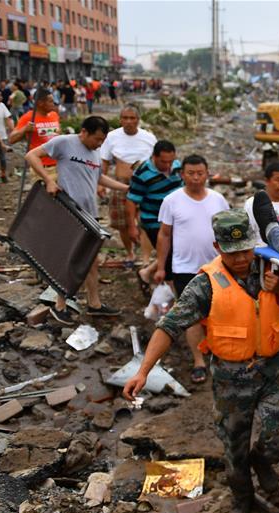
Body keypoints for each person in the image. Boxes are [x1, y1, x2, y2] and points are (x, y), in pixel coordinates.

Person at [122, 210, 279, 513]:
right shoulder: (205, 285)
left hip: (270, 372)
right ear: (218, 248)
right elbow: (169, 327)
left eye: (247, 250)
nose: (241, 258)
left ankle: (261, 460)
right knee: (234, 447)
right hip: (230, 379)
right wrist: (143, 371)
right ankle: (243, 497)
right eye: (233, 253)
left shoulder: (273, 269)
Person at [26, 116, 129, 324]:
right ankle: (60, 305)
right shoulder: (64, 142)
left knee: (91, 261)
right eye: (97, 139)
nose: (99, 144)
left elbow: (98, 177)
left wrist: (125, 188)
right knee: (69, 258)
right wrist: (48, 181)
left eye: (102, 140)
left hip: (90, 213)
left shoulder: (95, 152)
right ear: (84, 132)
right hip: (68, 211)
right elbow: (31, 155)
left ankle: (95, 304)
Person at [154, 154, 230, 384]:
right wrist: (160, 267)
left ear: (207, 174)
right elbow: (164, 235)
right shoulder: (171, 201)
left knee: (220, 311)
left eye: (200, 173)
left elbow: (227, 233)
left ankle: (222, 353)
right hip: (184, 268)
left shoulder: (218, 200)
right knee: (192, 316)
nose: (196, 178)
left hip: (216, 266)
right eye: (191, 173)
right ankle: (199, 360)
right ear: (182, 175)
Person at [100, 105, 157, 265]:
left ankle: (145, 257)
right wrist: (100, 184)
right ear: (120, 120)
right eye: (125, 118)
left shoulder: (149, 137)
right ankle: (130, 253)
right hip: (120, 183)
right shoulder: (112, 137)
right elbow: (104, 160)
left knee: (146, 219)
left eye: (132, 118)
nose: (128, 122)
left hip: (146, 184)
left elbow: (156, 161)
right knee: (122, 222)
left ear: (138, 120)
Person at [126, 139, 183, 291]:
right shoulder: (143, 173)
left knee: (178, 250)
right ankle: (172, 292)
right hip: (154, 220)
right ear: (155, 157)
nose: (168, 166)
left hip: (177, 218)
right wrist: (132, 226)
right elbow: (132, 200)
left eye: (171, 161)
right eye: (164, 162)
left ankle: (146, 272)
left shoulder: (177, 167)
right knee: (169, 255)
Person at [9, 88, 61, 182]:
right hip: (41, 168)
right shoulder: (28, 117)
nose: (54, 104)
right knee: (42, 196)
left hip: (58, 166)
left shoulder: (54, 115)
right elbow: (12, 139)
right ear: (40, 103)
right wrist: (25, 129)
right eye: (50, 101)